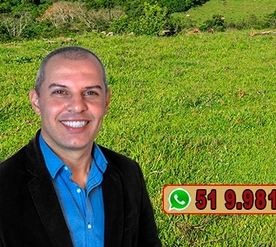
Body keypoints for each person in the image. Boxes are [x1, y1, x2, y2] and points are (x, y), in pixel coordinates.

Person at [0, 46, 162, 247]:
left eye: (91, 92)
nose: (77, 106)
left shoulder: (129, 172)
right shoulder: (4, 185)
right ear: (36, 101)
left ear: (106, 101)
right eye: (60, 92)